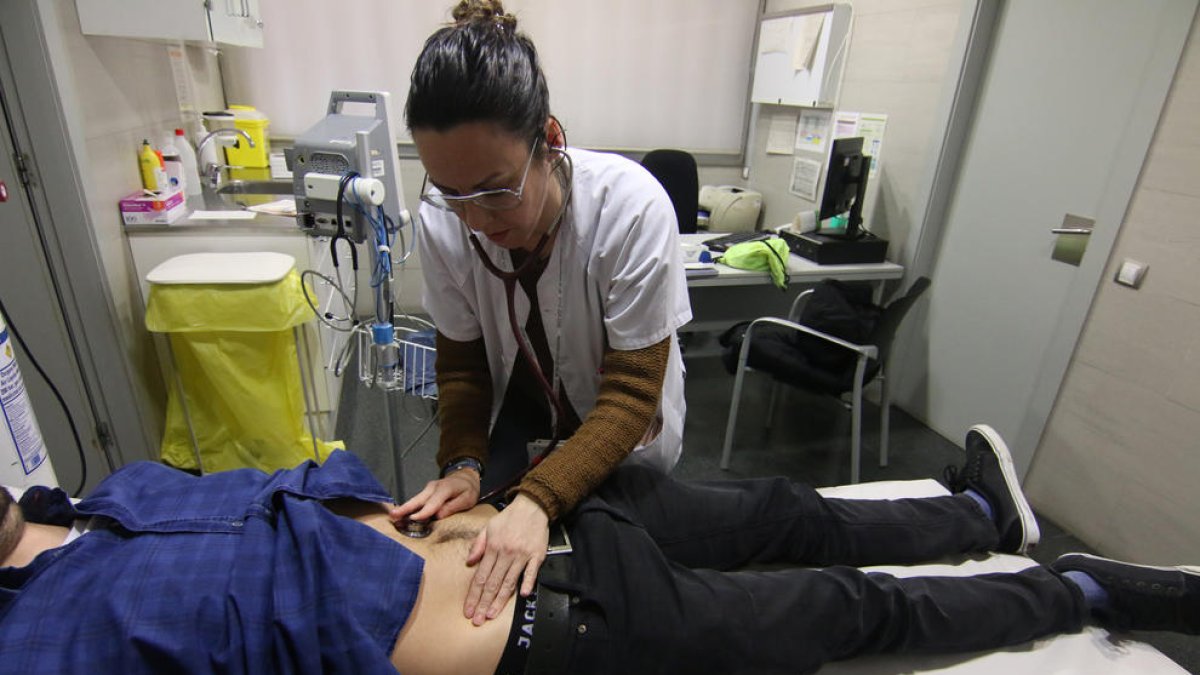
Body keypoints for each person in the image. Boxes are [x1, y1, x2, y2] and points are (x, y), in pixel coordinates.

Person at [3, 426, 1198, 674]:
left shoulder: (121, 491)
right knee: (844, 607)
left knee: (788, 511)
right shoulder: (35, 650)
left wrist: (480, 485)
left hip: (555, 510)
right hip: (554, 627)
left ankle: (979, 521)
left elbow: (319, 482)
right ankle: (1074, 590)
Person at [399, 0, 692, 625]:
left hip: (619, 426)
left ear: (549, 140)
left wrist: (539, 499)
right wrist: (461, 463)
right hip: (526, 405)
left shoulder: (629, 209)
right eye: (451, 194)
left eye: (496, 189)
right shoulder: (443, 225)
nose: (475, 220)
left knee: (624, 573)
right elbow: (462, 370)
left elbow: (632, 394)